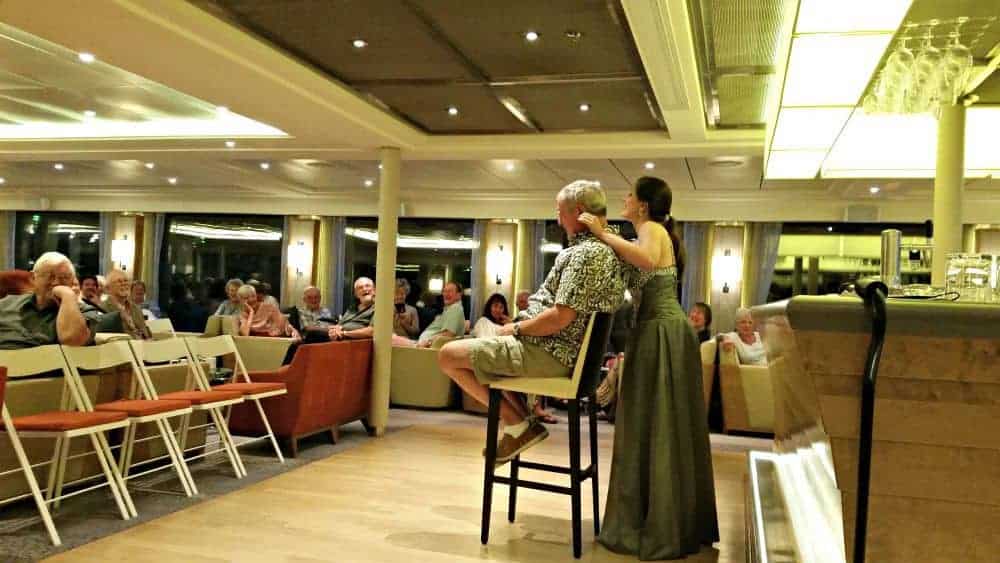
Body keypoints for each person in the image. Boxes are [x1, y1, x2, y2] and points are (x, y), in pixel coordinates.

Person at [580, 175, 719, 559]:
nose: (624, 199)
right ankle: (657, 517)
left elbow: (643, 260)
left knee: (657, 425)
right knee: (655, 425)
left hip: (661, 333)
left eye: (629, 195)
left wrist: (604, 233)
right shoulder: (650, 232)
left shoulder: (653, 229)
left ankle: (655, 523)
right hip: (654, 333)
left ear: (642, 205)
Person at [438, 180, 624, 464]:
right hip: (550, 348)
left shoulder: (586, 254)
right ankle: (520, 424)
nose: (557, 218)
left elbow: (561, 317)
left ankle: (517, 425)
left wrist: (515, 328)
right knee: (478, 353)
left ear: (579, 211)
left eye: (560, 211)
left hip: (550, 352)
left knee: (448, 356)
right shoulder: (605, 248)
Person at [0, 251, 100, 349]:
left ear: (72, 281)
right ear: (33, 278)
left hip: (46, 364)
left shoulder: (85, 312)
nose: (56, 282)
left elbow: (72, 340)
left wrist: (68, 295)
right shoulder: (5, 304)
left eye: (64, 277)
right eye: (49, 276)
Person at [100, 269, 152, 340]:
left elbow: (145, 332)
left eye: (126, 281)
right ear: (108, 288)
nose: (124, 284)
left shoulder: (136, 308)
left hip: (143, 346)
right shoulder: (102, 308)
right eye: (119, 281)